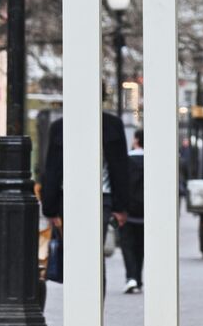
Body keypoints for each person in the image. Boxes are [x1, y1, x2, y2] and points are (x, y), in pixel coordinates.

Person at [40, 108, 131, 294]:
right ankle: (83, 306)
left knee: (90, 254)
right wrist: (50, 208)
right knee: (81, 254)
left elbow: (120, 167)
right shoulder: (62, 126)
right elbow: (53, 168)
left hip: (95, 196)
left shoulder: (62, 126)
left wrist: (121, 206)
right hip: (79, 197)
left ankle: (93, 310)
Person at [119, 130, 145, 293]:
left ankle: (131, 277)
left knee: (127, 245)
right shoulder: (153, 160)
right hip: (145, 211)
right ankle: (138, 278)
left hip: (128, 210)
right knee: (140, 246)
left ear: (136, 140)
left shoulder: (126, 160)